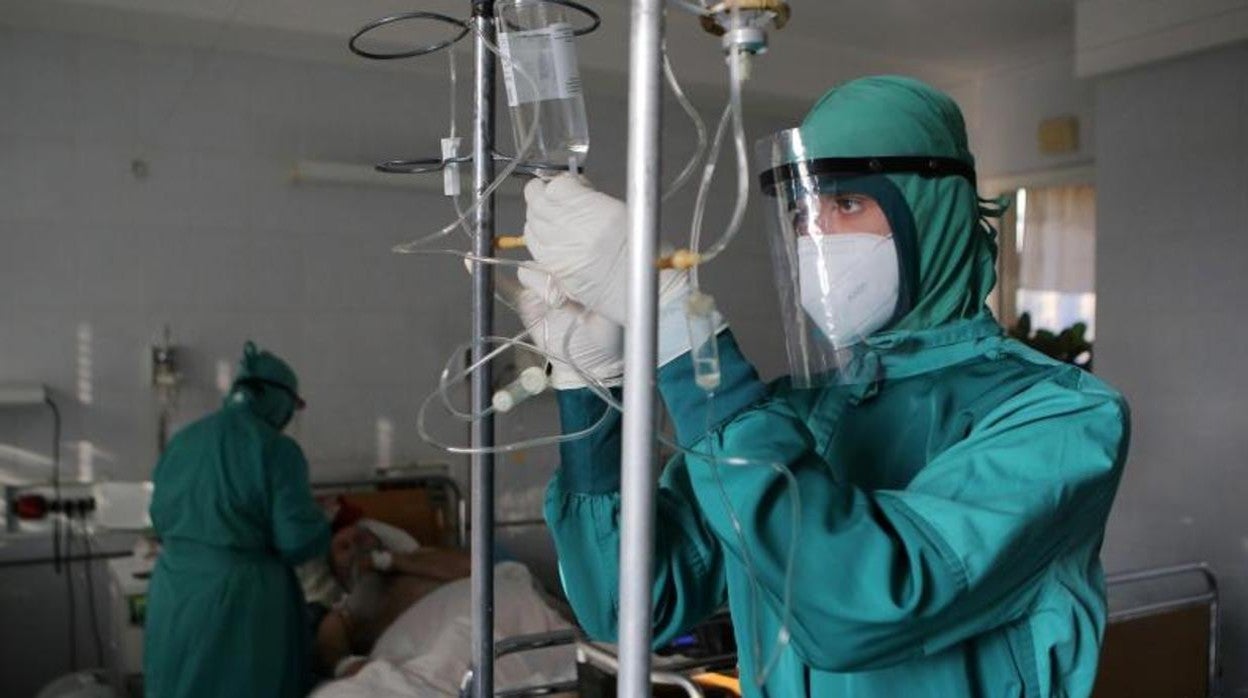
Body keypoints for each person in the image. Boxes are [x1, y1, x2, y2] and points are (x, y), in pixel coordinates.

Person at [512, 76, 1130, 697]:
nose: (818, 239)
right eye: (804, 214)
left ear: (930, 211)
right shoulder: (798, 415)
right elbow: (628, 604)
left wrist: (682, 329)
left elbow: (861, 605)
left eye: (849, 205)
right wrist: (591, 385)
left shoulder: (1060, 419)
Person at [145, 341, 330, 698]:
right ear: (279, 399)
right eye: (293, 407)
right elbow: (297, 541)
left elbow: (160, 516)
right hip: (240, 599)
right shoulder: (277, 449)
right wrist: (320, 520)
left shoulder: (183, 441)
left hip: (174, 590)